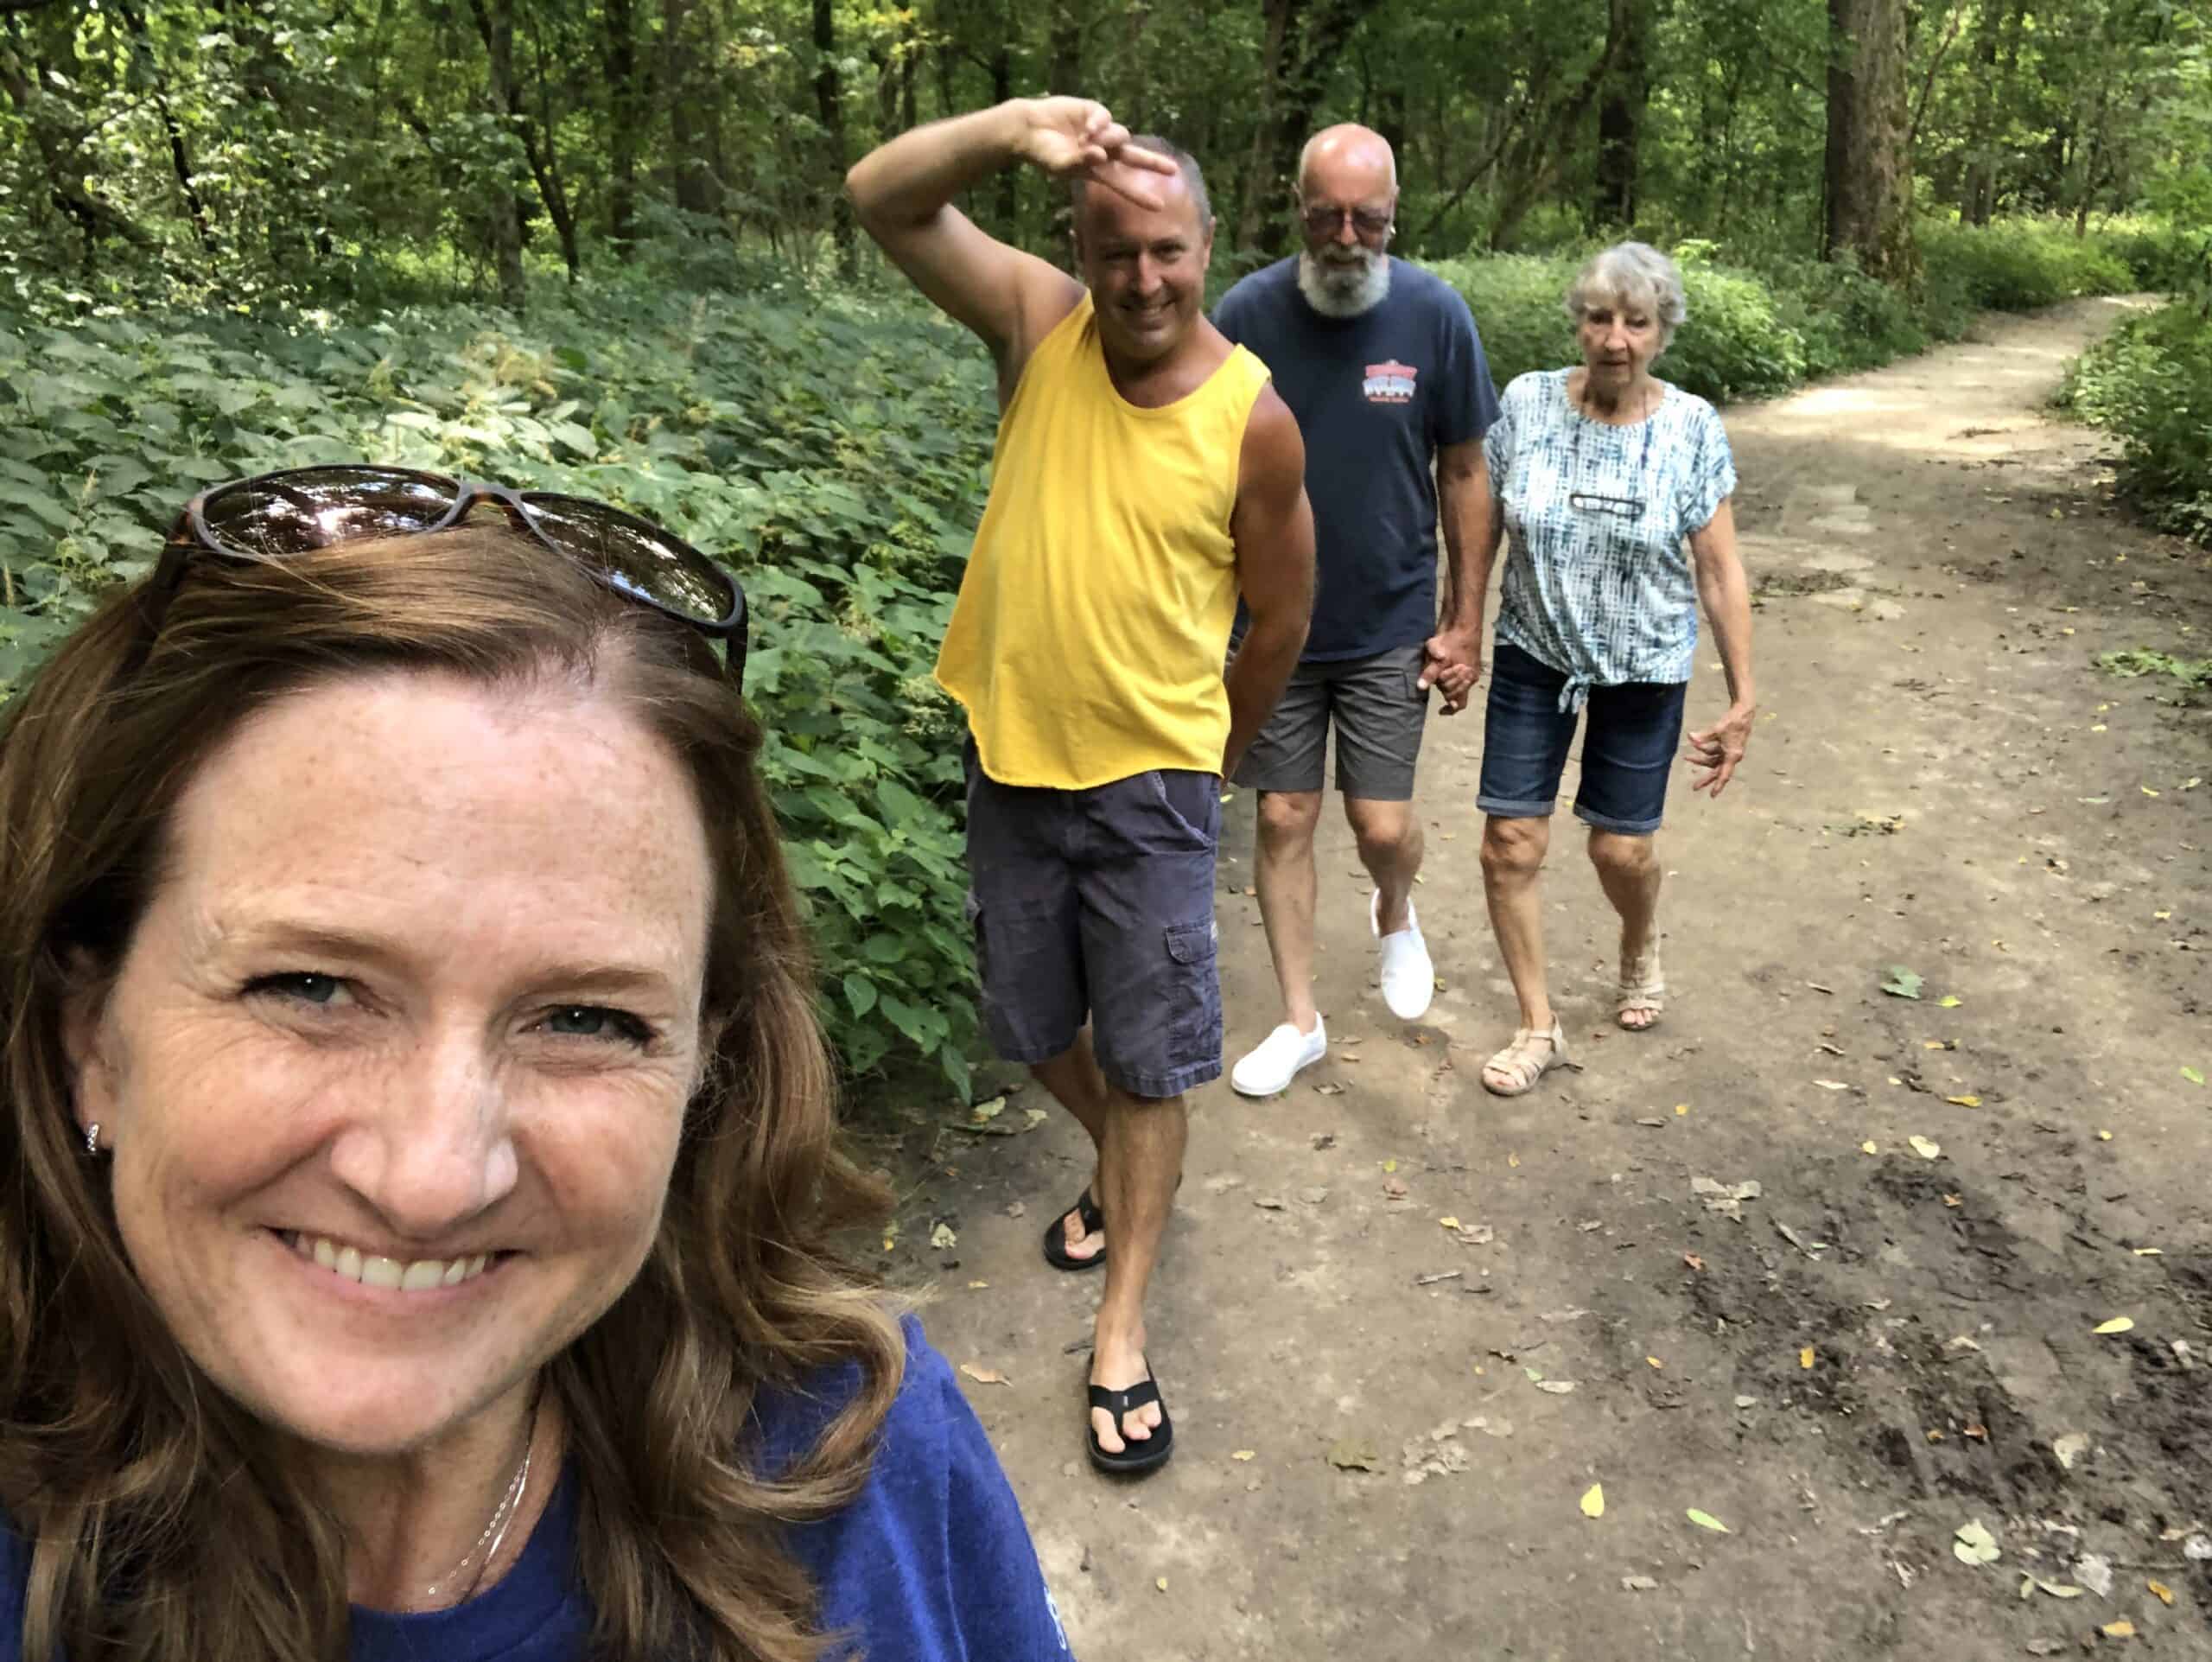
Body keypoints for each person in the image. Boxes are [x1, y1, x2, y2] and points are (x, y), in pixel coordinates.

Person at [0, 468, 1072, 1661]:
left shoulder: (851, 1454)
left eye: (585, 1018)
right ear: (90, 1034)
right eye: (309, 987)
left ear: (705, 1068)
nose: (433, 1178)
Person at [847, 101, 1315, 1474]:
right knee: (1031, 1019)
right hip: (1012, 760)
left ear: (1209, 245)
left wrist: (1211, 761)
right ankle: (1128, 1171)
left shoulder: (1255, 419)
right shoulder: (1039, 326)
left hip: (1152, 787)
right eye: (1117, 252)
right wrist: (1009, 129)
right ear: (1082, 248)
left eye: (1167, 249)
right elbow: (883, 196)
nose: (1144, 279)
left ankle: (1122, 1326)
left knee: (1155, 1057)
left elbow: (1281, 620)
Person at [1211, 123, 1498, 1098]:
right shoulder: (1243, 314)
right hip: (1269, 628)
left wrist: (1464, 622)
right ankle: (1299, 1022)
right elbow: (1194, 471)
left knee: (1379, 826)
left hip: (1388, 622)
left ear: (1392, 213)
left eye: (1365, 217)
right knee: (1284, 815)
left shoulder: (1433, 315)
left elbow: (1464, 469)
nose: (1345, 235)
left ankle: (1394, 908)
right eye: (1327, 214)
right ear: (1298, 208)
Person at [1468, 242, 1755, 1096]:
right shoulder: (1524, 404)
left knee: (1619, 851)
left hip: (1645, 666)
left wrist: (1745, 693)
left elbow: (1717, 568)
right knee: (1507, 844)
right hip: (1533, 653)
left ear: (1661, 333)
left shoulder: (1690, 427)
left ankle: (1638, 939)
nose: (1615, 339)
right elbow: (1481, 520)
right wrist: (1459, 625)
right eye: (1600, 318)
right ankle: (1536, 1024)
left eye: (1636, 322)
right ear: (1578, 323)